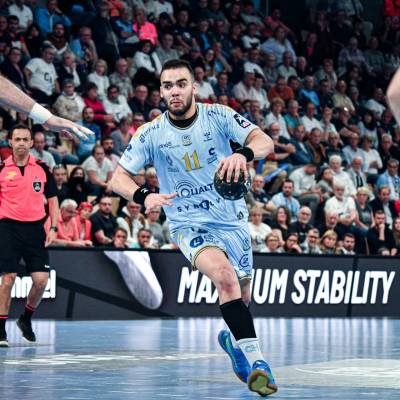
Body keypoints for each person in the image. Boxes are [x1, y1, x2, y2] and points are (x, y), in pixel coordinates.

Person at [111, 59, 277, 396]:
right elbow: (117, 178)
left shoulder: (218, 115)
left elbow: (264, 141)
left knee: (242, 296)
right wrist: (144, 195)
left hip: (231, 218)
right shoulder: (151, 133)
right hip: (188, 222)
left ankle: (232, 341)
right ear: (161, 92)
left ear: (193, 87)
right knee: (225, 278)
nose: (174, 91)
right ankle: (259, 363)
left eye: (181, 84)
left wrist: (243, 154)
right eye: (168, 86)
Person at [0, 125, 59, 347]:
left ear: (32, 143)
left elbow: (53, 200)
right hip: (8, 228)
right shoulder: (2, 169)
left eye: (25, 139)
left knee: (41, 281)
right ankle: (1, 330)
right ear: (10, 142)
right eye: (17, 139)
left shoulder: (42, 168)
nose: (22, 143)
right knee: (8, 278)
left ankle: (25, 318)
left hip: (35, 230)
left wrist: (53, 228)